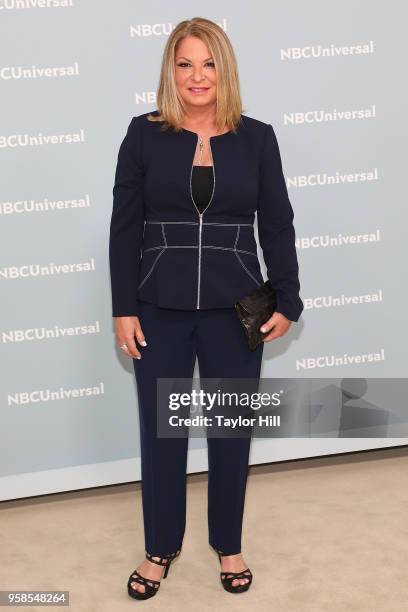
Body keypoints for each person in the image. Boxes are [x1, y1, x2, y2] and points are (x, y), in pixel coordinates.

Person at [109, 16, 303, 601]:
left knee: (229, 432)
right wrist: (124, 307)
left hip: (235, 308)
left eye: (209, 62)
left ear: (225, 69)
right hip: (158, 306)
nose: (198, 76)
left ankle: (229, 544)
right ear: (171, 70)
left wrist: (288, 297)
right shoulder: (143, 134)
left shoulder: (257, 136)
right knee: (161, 436)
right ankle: (159, 548)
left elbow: (277, 223)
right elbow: (125, 228)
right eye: (186, 63)